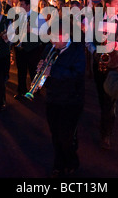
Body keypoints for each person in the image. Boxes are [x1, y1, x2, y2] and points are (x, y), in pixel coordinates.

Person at [38, 22, 86, 178]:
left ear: (65, 36)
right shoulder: (49, 49)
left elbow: (76, 75)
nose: (52, 41)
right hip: (53, 98)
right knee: (55, 134)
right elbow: (45, 72)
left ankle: (72, 161)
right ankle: (58, 163)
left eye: (54, 38)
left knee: (65, 136)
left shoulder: (77, 50)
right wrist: (40, 74)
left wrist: (52, 71)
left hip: (71, 100)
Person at [86, 0, 118, 149]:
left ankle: (106, 133)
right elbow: (88, 40)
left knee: (109, 100)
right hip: (99, 65)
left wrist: (116, 46)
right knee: (102, 97)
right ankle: (105, 121)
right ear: (108, 5)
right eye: (117, 4)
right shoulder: (95, 18)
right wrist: (94, 51)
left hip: (115, 66)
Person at [13, 0, 44, 100]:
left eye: (22, 5)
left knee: (33, 70)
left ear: (28, 5)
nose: (20, 7)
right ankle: (21, 91)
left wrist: (31, 30)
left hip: (33, 48)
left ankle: (34, 91)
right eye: (19, 5)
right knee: (21, 71)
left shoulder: (38, 16)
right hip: (21, 48)